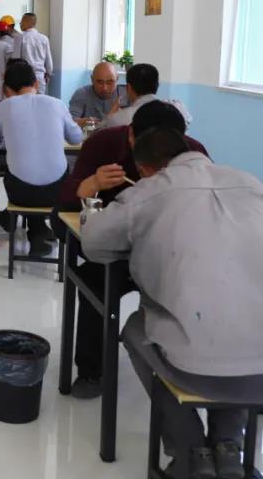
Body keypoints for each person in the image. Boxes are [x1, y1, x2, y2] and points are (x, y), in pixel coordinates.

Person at [82, 127, 263, 479]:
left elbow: (95, 245)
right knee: (240, 319)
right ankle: (228, 447)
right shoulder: (251, 184)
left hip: (202, 372)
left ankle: (191, 452)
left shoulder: (148, 192)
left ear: (144, 169)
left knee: (135, 330)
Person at [57, 101, 209, 400]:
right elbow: (64, 202)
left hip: (174, 254)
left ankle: (186, 362)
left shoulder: (195, 154)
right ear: (130, 135)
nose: (153, 166)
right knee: (93, 279)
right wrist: (92, 184)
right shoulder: (103, 143)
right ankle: (91, 370)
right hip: (116, 250)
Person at [0, 61, 82, 219]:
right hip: (58, 192)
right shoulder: (57, 104)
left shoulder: (3, 107)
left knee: (13, 170)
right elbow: (77, 139)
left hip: (22, 194)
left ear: (7, 89)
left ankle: (19, 222)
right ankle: (37, 227)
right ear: (36, 83)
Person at [100, 62, 192, 129]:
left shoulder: (118, 119)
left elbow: (98, 135)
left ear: (128, 88)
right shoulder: (178, 110)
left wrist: (110, 115)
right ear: (157, 85)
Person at [68, 61, 127, 127]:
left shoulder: (126, 93)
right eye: (100, 82)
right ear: (92, 79)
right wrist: (82, 122)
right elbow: (69, 122)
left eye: (109, 83)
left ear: (117, 79)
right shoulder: (81, 94)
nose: (105, 88)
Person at [11, 13, 53, 93]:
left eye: (22, 21)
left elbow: (15, 60)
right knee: (40, 99)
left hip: (24, 77)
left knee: (26, 99)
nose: (20, 23)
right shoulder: (44, 38)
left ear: (28, 22)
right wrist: (48, 73)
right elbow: (48, 59)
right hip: (40, 77)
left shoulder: (19, 37)